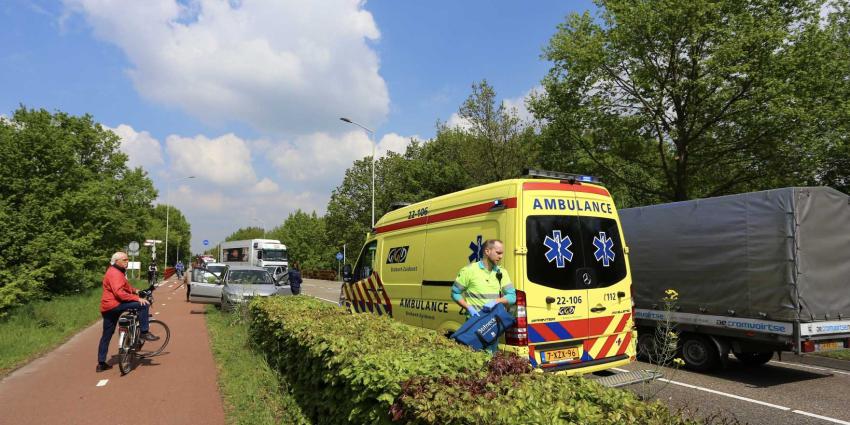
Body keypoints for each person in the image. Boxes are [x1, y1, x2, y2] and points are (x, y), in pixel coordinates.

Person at [97, 252, 159, 372]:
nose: (127, 262)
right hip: (115, 304)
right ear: (116, 261)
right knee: (143, 305)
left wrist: (136, 291)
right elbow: (119, 293)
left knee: (106, 335)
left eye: (128, 259)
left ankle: (101, 363)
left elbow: (125, 287)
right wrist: (137, 298)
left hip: (107, 307)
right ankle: (144, 332)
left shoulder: (115, 271)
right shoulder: (115, 273)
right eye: (124, 260)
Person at [451, 239, 516, 353]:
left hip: (492, 324)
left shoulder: (501, 272)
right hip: (475, 324)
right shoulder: (469, 271)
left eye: (502, 253)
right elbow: (455, 293)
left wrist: (496, 301)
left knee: (491, 358)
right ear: (487, 251)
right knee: (474, 357)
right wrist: (468, 307)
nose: (501, 256)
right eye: (498, 253)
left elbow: (512, 297)